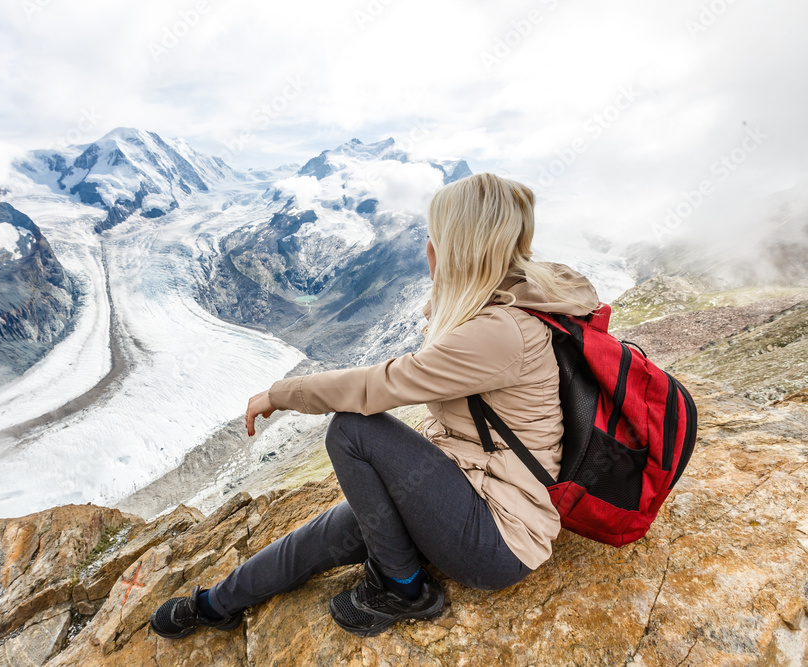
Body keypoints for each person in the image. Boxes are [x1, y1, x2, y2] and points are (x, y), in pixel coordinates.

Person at [150, 172, 600, 638]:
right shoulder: (502, 301)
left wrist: (282, 393)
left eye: (437, 235)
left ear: (458, 244)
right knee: (328, 534)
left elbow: (381, 386)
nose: (429, 243)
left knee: (351, 430)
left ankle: (402, 587)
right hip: (463, 490)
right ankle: (214, 605)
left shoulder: (499, 331)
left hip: (498, 538)